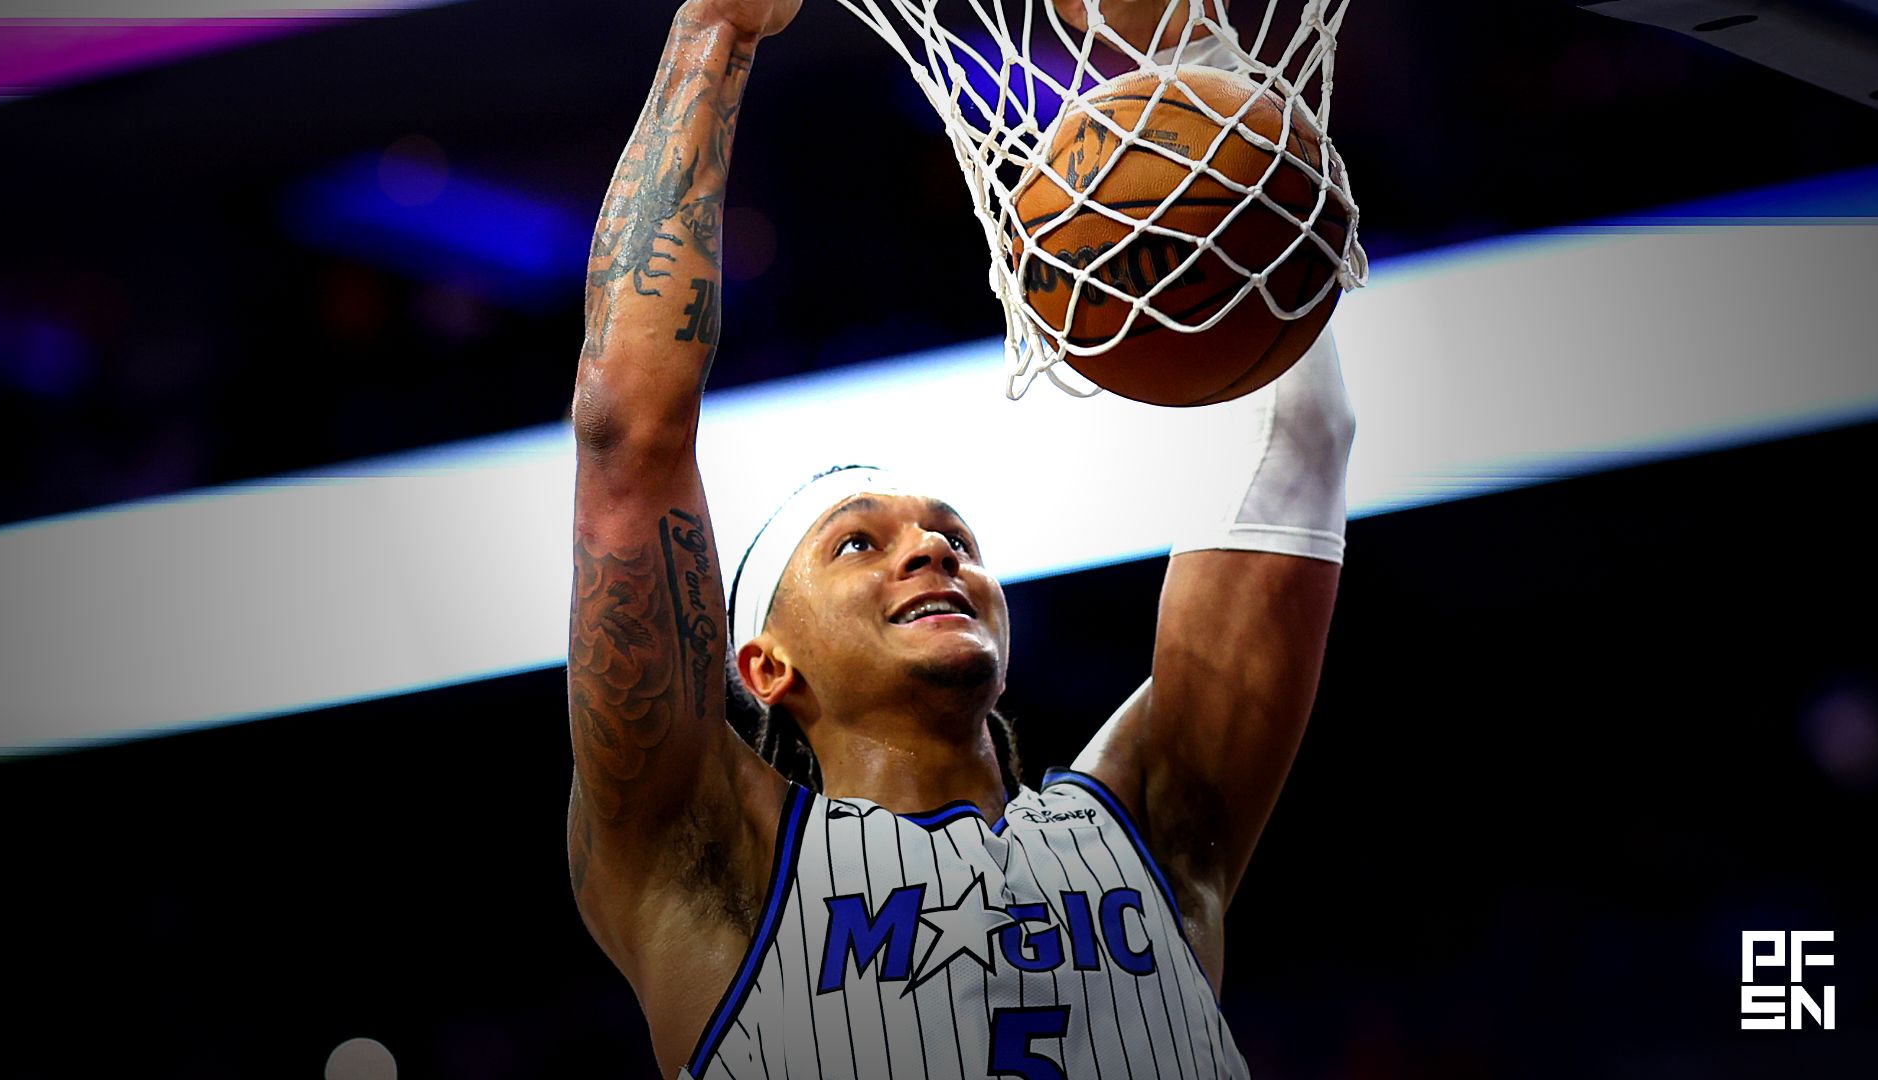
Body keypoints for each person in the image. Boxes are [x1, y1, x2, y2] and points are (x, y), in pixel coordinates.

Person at [565, 1, 1352, 1076]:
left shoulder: (1154, 827)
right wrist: (715, 29)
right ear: (763, 665)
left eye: (954, 536)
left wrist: (1189, 63)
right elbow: (629, 437)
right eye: (857, 545)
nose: (932, 552)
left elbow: (1295, 445)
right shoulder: (714, 871)